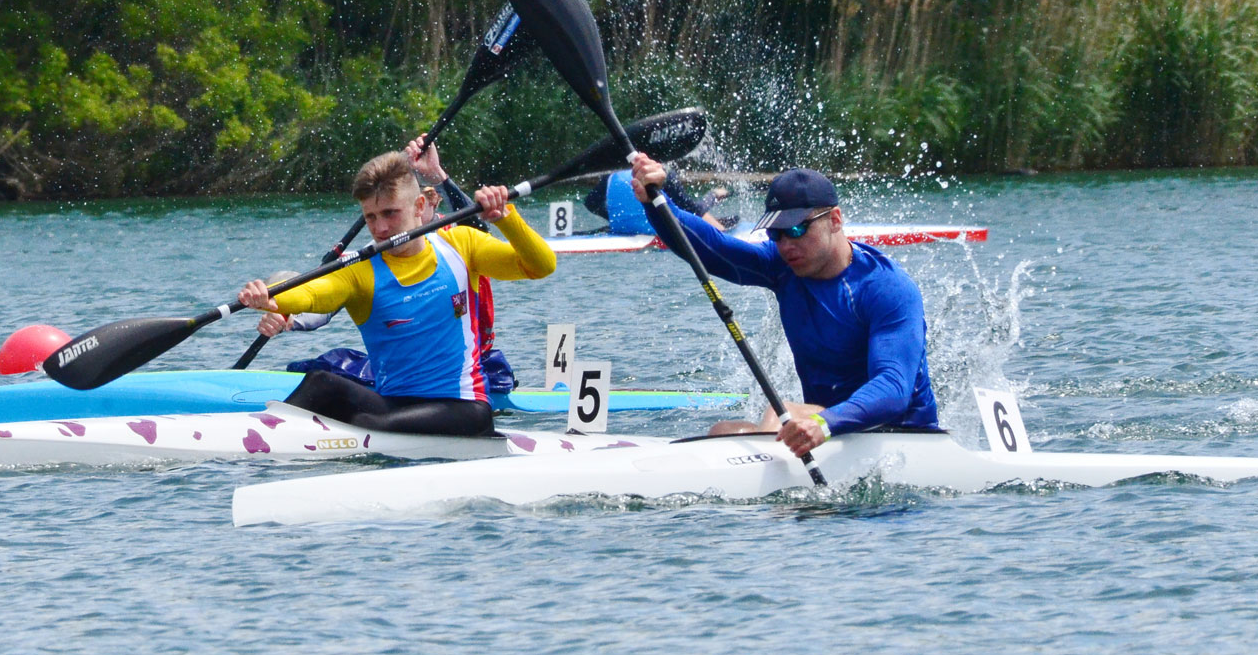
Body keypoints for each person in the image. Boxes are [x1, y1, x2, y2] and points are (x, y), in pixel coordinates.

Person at [630, 157, 939, 457]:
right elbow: (712, 249)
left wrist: (823, 423)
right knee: (724, 433)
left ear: (835, 220)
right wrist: (656, 202)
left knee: (784, 413)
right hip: (825, 433)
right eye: (775, 234)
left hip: (901, 436)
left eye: (795, 230)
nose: (786, 245)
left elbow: (893, 388)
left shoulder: (886, 288)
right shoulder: (782, 266)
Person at [238, 150, 555, 435]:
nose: (380, 228)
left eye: (390, 213)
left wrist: (506, 219)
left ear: (420, 206)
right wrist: (272, 297)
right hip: (393, 405)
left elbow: (541, 265)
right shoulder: (361, 268)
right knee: (321, 382)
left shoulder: (461, 245)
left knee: (367, 424)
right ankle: (257, 434)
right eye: (371, 217)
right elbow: (315, 294)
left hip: (464, 409)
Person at [255, 137, 519, 396]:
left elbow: (478, 224)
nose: (384, 226)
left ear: (423, 204)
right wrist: (287, 313)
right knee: (319, 368)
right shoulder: (380, 247)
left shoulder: (456, 238)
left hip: (468, 370)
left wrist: (439, 176)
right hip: (409, 375)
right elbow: (328, 298)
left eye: (433, 198)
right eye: (376, 215)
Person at [585, 166, 729, 234]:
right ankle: (715, 195)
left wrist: (615, 218)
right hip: (657, 234)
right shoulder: (664, 174)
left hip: (620, 231)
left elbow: (590, 203)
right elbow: (693, 210)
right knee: (699, 214)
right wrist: (713, 196)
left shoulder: (611, 176)